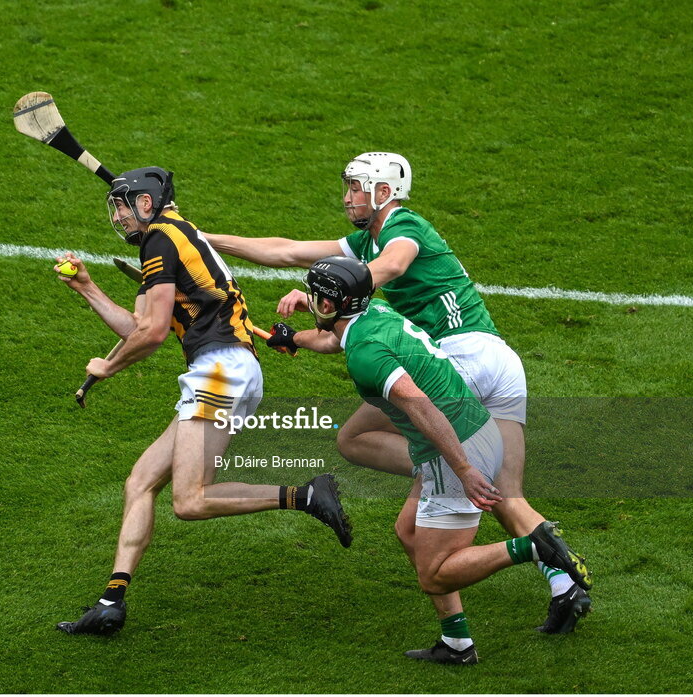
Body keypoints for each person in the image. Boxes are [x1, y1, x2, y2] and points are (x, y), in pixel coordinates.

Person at [203, 153, 590, 634]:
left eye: (356, 188)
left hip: (458, 364)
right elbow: (285, 250)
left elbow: (391, 265)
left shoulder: (401, 228)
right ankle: (564, 583)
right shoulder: (364, 240)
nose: (346, 197)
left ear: (384, 193)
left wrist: (331, 293)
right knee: (503, 492)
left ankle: (446, 477)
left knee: (356, 439)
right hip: (500, 361)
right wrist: (204, 240)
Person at [53, 167, 352, 636]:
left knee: (189, 501)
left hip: (219, 371)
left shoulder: (162, 240)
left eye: (122, 205)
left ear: (146, 205)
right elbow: (139, 326)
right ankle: (111, 601)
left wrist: (107, 368)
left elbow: (151, 336)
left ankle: (305, 495)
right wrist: (88, 287)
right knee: (140, 481)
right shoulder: (171, 243)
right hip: (226, 370)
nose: (117, 216)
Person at [294, 255, 591, 664]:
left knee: (434, 571)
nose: (310, 301)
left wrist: (464, 470)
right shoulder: (375, 311)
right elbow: (331, 339)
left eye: (315, 297)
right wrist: (290, 339)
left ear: (330, 305)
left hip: (453, 450)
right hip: (471, 430)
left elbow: (421, 409)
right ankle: (456, 643)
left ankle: (534, 547)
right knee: (409, 533)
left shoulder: (364, 353)